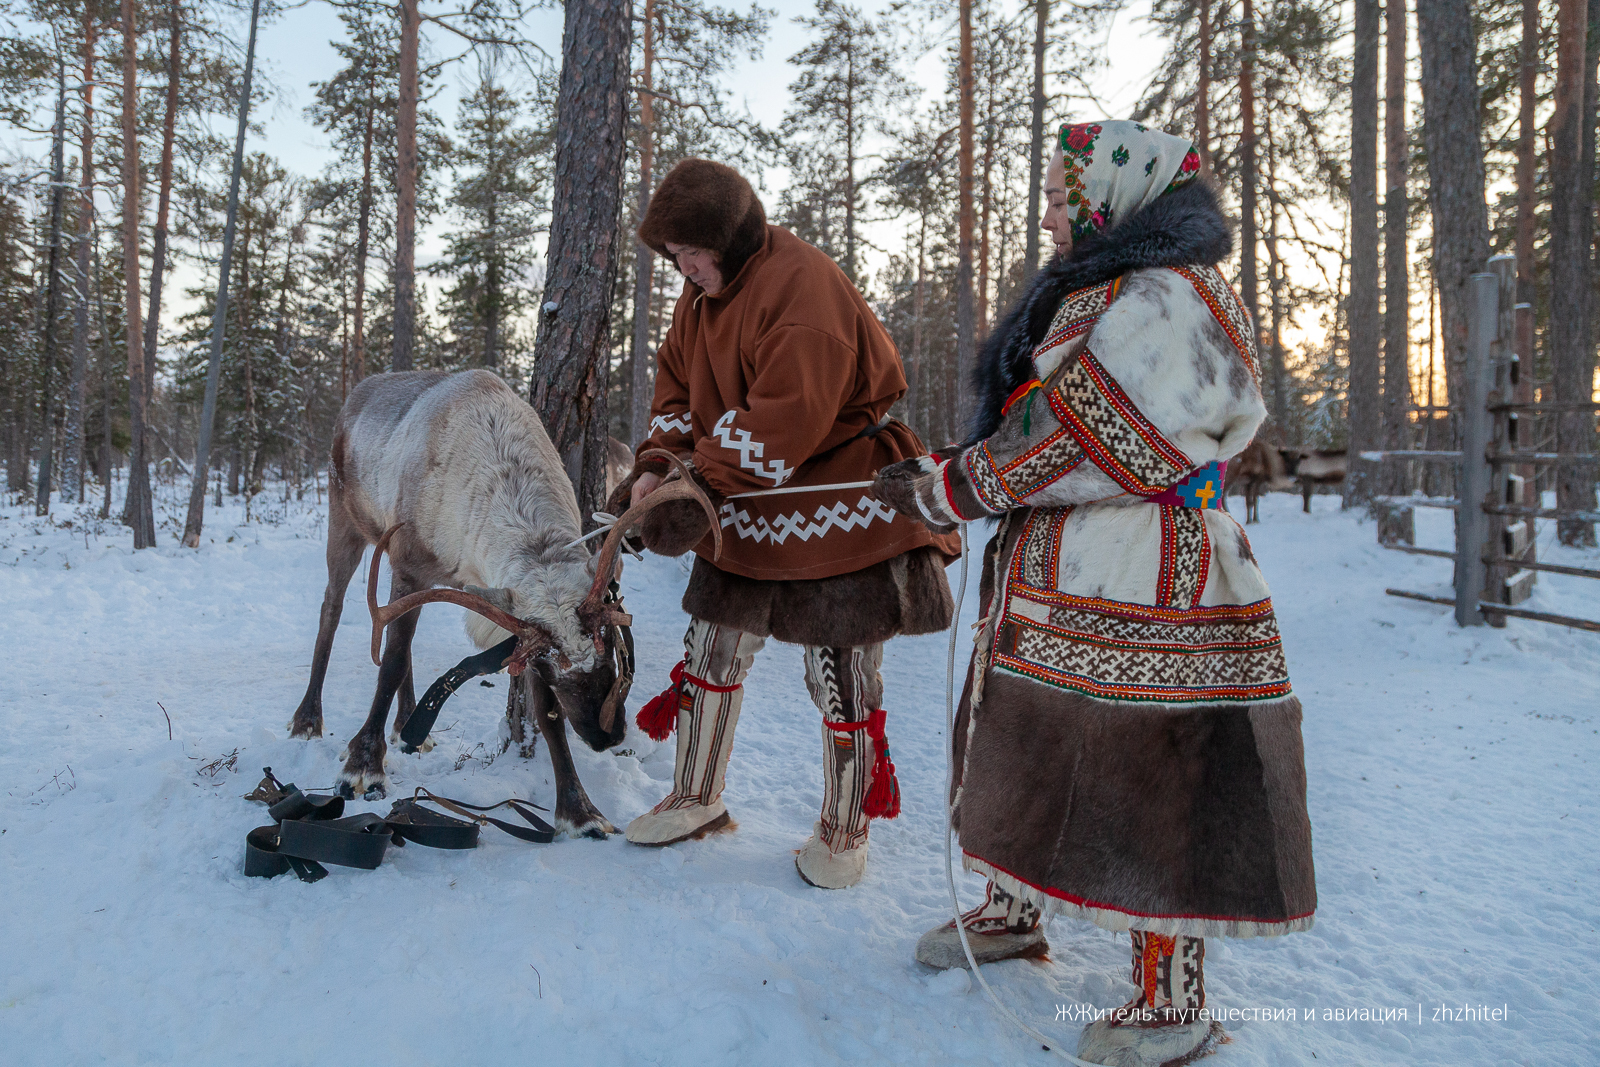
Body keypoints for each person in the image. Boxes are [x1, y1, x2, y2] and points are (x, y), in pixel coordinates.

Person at [873, 120, 1316, 1065]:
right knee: (1016, 733)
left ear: (1116, 196)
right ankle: (1010, 910)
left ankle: (1174, 999)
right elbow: (1039, 419)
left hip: (1151, 575)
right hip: (1060, 568)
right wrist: (962, 467)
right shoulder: (1104, 287)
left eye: (1060, 194)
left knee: (1149, 770)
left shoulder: (1165, 295)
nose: (1045, 212)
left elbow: (1086, 436)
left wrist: (957, 486)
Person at [616, 158, 958, 890]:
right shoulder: (698, 300)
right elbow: (675, 393)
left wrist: (693, 483)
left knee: (838, 668)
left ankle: (845, 826)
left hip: (838, 493)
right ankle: (696, 796)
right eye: (674, 258)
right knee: (711, 644)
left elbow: (785, 419)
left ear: (728, 239)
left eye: (691, 255)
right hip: (747, 498)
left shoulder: (800, 287)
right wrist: (657, 465)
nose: (684, 270)